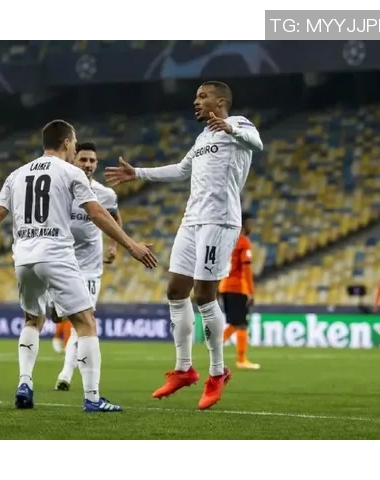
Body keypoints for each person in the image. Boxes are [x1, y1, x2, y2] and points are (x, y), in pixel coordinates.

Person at [0, 119, 157, 413]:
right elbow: (97, 214)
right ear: (66, 142)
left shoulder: (16, 175)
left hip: (23, 258)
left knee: (32, 321)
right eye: (74, 143)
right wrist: (130, 245)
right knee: (86, 323)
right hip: (56, 255)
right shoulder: (70, 172)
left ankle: (25, 383)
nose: (75, 148)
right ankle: (92, 398)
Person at [105, 81, 263, 410]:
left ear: (221, 101)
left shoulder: (239, 124)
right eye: (196, 97)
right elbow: (180, 169)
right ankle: (184, 369)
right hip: (191, 220)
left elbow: (257, 142)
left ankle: (217, 373)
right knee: (176, 290)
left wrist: (230, 128)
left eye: (202, 96)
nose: (196, 101)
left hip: (219, 220)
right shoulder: (202, 138)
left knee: (204, 295)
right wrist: (138, 173)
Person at [49, 141, 122, 391]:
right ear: (73, 160)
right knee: (58, 316)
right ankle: (55, 308)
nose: (88, 164)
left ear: (96, 164)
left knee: (84, 320)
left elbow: (115, 216)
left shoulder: (105, 194)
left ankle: (66, 373)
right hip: (62, 261)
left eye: (92, 160)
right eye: (83, 159)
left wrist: (113, 245)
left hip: (90, 267)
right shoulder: (60, 189)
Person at [220, 212, 260, 369]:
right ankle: (241, 360)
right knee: (241, 323)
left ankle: (217, 345)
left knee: (237, 323)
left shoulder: (227, 240)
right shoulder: (243, 242)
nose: (252, 227)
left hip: (225, 286)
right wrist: (251, 291)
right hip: (237, 287)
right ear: (244, 224)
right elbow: (246, 270)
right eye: (250, 223)